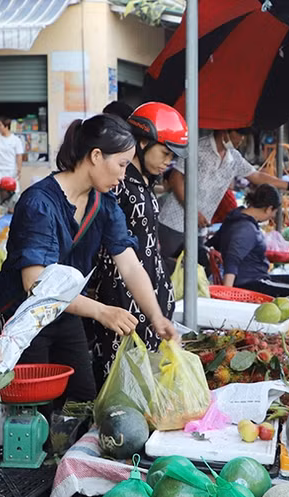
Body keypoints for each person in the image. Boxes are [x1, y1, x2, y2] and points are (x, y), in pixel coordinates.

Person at [0, 114, 179, 402]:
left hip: (67, 313)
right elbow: (36, 285)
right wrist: (101, 311)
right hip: (24, 319)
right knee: (33, 409)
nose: (123, 175)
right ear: (96, 156)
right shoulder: (39, 203)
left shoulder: (104, 203)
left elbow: (129, 264)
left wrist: (155, 316)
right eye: (122, 165)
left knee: (83, 400)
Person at [88, 103, 186, 387]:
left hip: (149, 296)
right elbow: (121, 256)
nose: (168, 161)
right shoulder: (116, 184)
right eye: (165, 152)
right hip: (123, 299)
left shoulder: (144, 181)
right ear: (143, 143)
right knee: (123, 382)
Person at [157, 128, 289, 272]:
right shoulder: (198, 148)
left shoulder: (234, 157)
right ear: (225, 132)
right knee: (164, 268)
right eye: (239, 134)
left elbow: (256, 176)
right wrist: (193, 210)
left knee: (195, 273)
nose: (242, 139)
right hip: (173, 223)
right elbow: (175, 177)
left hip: (198, 229)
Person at [207, 184, 289, 297]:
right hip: (249, 283)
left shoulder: (235, 216)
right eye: (273, 212)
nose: (272, 216)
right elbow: (232, 261)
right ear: (269, 208)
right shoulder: (246, 228)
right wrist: (227, 295)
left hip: (252, 277)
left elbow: (214, 243)